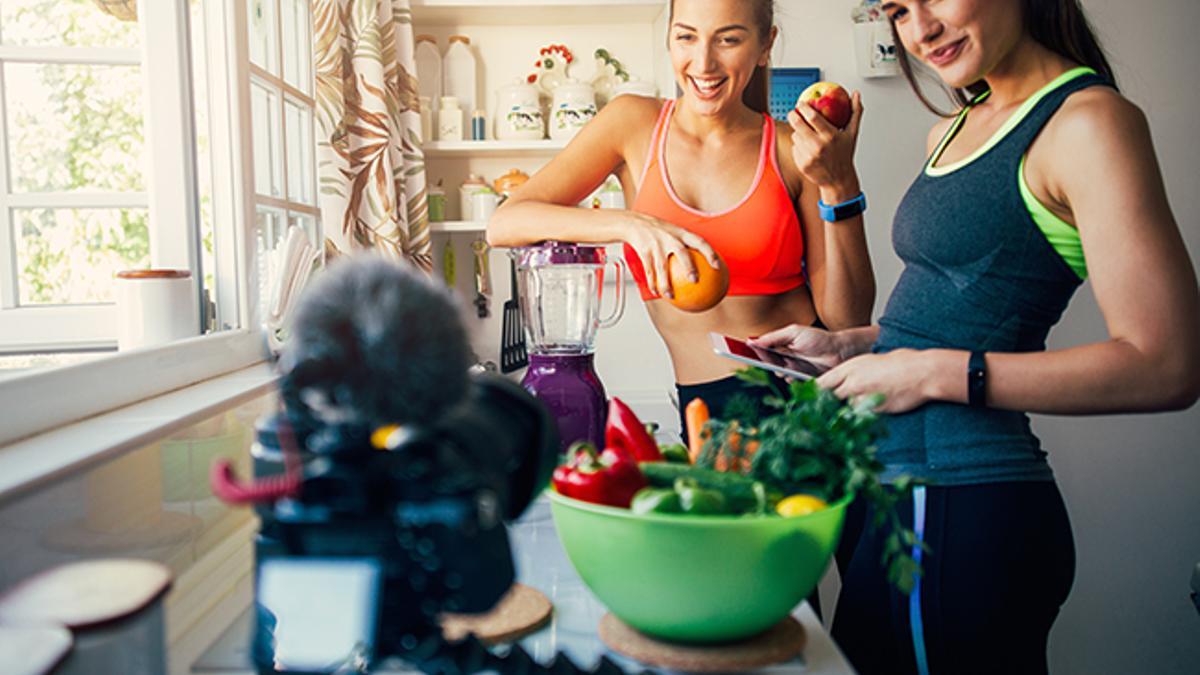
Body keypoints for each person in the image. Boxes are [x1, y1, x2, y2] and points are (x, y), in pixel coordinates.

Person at [752, 1, 1200, 673]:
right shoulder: (953, 128)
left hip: (964, 500)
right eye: (900, 9)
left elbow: (1166, 364)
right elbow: (957, 312)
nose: (921, 29)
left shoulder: (1088, 123)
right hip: (903, 496)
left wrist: (928, 373)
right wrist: (857, 346)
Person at [487, 0, 875, 434]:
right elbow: (505, 223)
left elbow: (848, 322)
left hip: (803, 396)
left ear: (766, 45)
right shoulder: (632, 124)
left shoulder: (791, 148)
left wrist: (841, 185)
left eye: (728, 39)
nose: (703, 62)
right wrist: (632, 226)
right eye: (686, 37)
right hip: (703, 405)